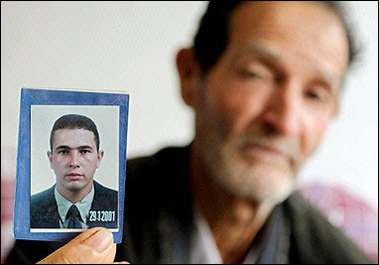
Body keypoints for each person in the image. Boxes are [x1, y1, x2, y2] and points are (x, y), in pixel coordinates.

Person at [6, 1, 375, 263]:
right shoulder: (63, 228)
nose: (285, 120)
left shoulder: (339, 256)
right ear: (190, 75)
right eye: (257, 74)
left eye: (315, 94)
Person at [30, 114, 118, 229]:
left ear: (99, 158)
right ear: (51, 159)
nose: (74, 162)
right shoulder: (29, 208)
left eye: (84, 151)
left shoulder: (120, 205)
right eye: (64, 152)